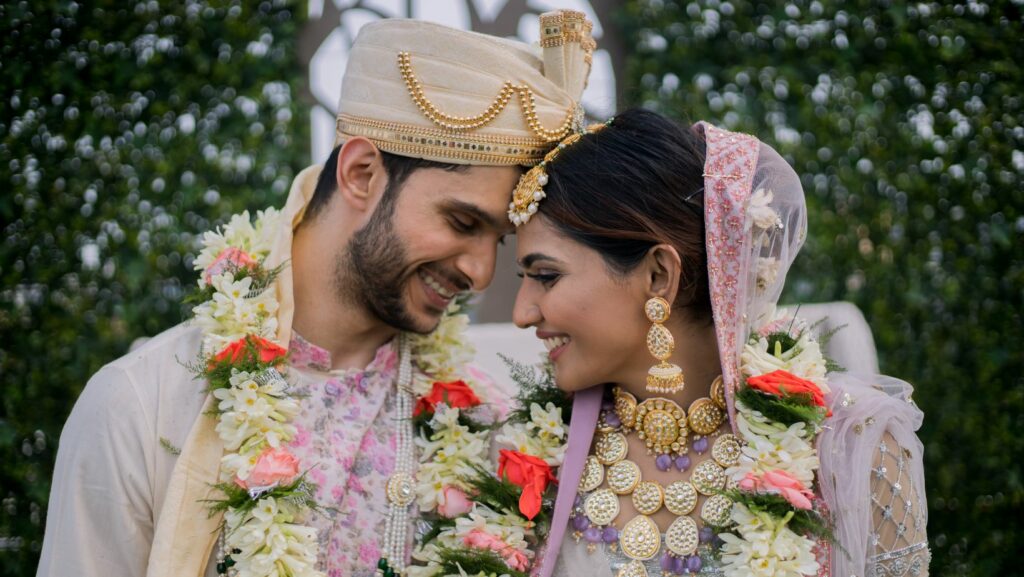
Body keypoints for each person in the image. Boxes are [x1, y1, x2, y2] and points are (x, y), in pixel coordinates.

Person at [37, 12, 594, 577]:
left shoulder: (488, 428)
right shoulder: (144, 406)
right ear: (360, 173)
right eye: (460, 222)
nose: (479, 273)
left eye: (497, 240)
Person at [510, 109, 930, 577]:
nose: (521, 313)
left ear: (657, 275)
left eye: (546, 276)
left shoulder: (855, 451)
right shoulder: (529, 458)